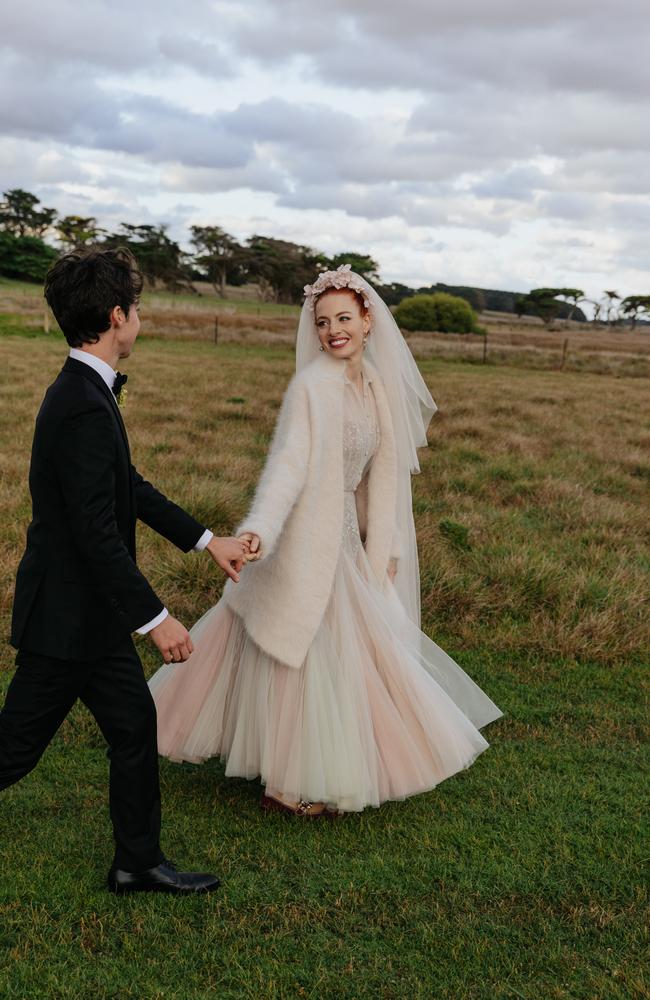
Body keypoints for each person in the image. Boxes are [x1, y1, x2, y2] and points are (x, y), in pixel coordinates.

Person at [149, 265, 503, 816]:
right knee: (304, 648)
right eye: (322, 321)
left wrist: (380, 548)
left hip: (343, 535)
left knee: (338, 647)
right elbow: (288, 466)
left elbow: (376, 478)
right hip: (301, 533)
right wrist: (260, 528)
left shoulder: (376, 390)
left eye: (343, 318)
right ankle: (286, 786)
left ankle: (305, 769)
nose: (332, 329)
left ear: (367, 322)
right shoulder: (315, 388)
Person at [0, 246, 249, 892]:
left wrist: (205, 540)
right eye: (136, 309)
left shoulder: (86, 389)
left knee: (135, 728)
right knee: (14, 749)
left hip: (93, 618)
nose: (139, 319)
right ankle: (137, 860)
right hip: (66, 621)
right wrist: (157, 619)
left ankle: (136, 862)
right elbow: (95, 534)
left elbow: (126, 488)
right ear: (117, 316)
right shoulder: (82, 402)